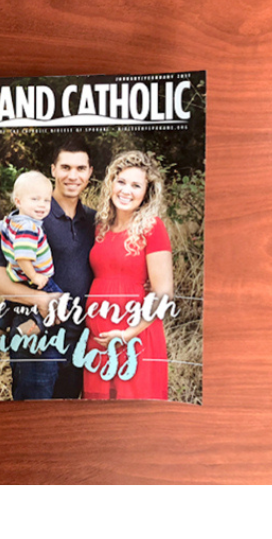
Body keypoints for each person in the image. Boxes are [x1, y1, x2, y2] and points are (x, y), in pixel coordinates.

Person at [0, 138, 96, 400]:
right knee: (33, 426)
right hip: (37, 343)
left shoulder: (93, 220)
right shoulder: (31, 215)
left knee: (65, 428)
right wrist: (41, 298)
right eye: (65, 167)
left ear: (90, 173)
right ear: (53, 169)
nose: (73, 175)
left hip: (79, 341)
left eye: (81, 168)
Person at [84, 151, 174, 400]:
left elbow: (163, 293)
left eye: (136, 185)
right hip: (99, 340)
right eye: (121, 181)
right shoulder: (102, 226)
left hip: (136, 337)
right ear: (111, 183)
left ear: (147, 193)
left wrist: (126, 334)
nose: (126, 191)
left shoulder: (152, 227)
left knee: (133, 418)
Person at [0, 171, 61, 334]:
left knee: (13, 302)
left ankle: (1, 326)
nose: (42, 205)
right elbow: (23, 256)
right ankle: (31, 328)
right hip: (35, 276)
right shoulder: (29, 228)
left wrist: (2, 242)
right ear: (18, 201)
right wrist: (35, 277)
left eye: (47, 200)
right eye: (35, 199)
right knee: (61, 304)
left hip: (16, 275)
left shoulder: (10, 221)